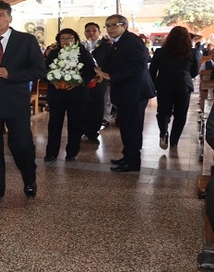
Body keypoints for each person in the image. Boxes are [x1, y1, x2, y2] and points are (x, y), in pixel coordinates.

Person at [0, 0, 45, 202]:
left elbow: (39, 70)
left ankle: (29, 180)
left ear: (10, 18)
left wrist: (11, 73)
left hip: (15, 102)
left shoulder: (26, 40)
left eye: (0, 15)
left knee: (21, 145)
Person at [94, 14, 156, 172]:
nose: (110, 29)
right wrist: (102, 73)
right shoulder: (116, 43)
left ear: (124, 26)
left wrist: (110, 76)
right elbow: (113, 64)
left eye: (114, 25)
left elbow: (137, 67)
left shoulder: (132, 41)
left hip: (134, 91)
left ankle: (133, 162)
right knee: (126, 126)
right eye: (107, 26)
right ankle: (128, 156)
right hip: (125, 91)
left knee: (133, 127)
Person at [44, 28, 96, 161]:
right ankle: (51, 152)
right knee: (54, 124)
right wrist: (52, 80)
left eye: (70, 38)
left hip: (77, 95)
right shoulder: (54, 53)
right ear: (58, 41)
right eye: (63, 39)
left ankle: (72, 152)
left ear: (75, 40)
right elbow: (44, 70)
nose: (66, 41)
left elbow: (90, 71)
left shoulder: (83, 53)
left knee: (76, 124)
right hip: (57, 94)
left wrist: (79, 81)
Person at [149, 26, 199, 150]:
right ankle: (174, 141)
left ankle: (163, 132)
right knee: (181, 114)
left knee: (163, 112)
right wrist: (186, 77)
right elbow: (195, 71)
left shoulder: (160, 52)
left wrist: (155, 84)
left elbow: (152, 70)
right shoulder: (192, 52)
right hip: (183, 86)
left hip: (164, 85)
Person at [81, 22, 111, 143]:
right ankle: (82, 129)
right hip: (83, 81)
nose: (91, 33)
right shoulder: (80, 46)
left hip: (99, 80)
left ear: (99, 32)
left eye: (94, 30)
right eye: (88, 30)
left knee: (97, 106)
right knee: (83, 106)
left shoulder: (106, 46)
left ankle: (93, 132)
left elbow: (109, 63)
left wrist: (103, 74)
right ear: (84, 33)